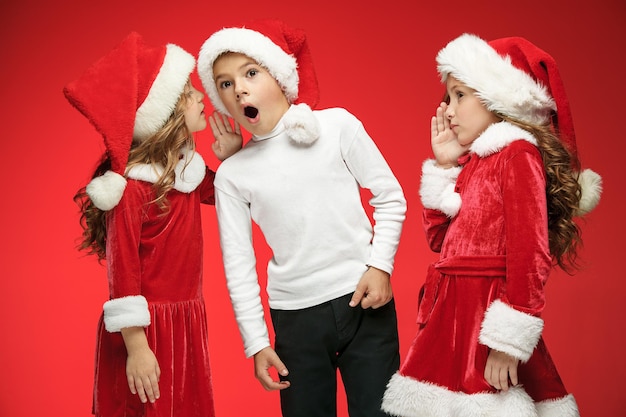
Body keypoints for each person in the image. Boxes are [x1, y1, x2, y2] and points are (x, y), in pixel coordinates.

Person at [381, 33, 602, 417]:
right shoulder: (475, 163)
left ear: (497, 96)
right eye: (447, 97)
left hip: (485, 315)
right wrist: (446, 167)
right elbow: (440, 241)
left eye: (459, 95)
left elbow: (530, 253)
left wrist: (507, 340)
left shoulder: (516, 154)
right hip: (450, 313)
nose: (447, 109)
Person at [196, 19, 407, 417]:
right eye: (224, 83)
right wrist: (256, 342)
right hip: (296, 321)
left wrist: (380, 266)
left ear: (279, 75)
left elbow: (390, 197)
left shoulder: (337, 126)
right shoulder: (232, 175)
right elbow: (238, 265)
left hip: (364, 304)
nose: (238, 88)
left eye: (250, 73)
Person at [65, 32, 240, 417]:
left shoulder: (187, 172)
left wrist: (233, 156)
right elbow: (122, 269)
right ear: (164, 113)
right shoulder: (132, 189)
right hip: (143, 331)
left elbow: (232, 193)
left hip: (184, 323)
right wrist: (137, 346)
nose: (200, 98)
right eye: (188, 92)